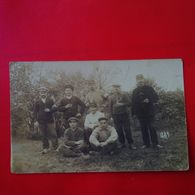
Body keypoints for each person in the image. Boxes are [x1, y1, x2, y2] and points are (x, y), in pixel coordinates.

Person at [131, 74, 163, 149]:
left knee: (152, 128)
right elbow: (133, 103)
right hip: (140, 113)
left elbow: (156, 97)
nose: (140, 81)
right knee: (143, 128)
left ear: (143, 80)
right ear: (136, 81)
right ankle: (146, 144)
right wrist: (133, 113)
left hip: (149, 112)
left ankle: (155, 143)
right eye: (138, 80)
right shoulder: (135, 91)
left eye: (141, 79)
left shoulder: (150, 88)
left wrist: (149, 100)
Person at [109, 84, 136, 149]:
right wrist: (111, 116)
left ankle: (131, 143)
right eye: (114, 88)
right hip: (116, 115)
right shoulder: (111, 96)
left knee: (127, 129)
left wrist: (122, 104)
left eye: (117, 88)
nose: (116, 89)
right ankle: (122, 143)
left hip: (124, 114)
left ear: (120, 88)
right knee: (119, 130)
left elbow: (130, 103)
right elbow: (110, 107)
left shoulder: (124, 94)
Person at [33, 86, 58, 154]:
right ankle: (45, 148)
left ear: (46, 93)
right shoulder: (37, 102)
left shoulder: (51, 100)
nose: (43, 93)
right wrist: (35, 121)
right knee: (43, 135)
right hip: (41, 121)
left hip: (50, 120)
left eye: (44, 92)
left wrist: (50, 110)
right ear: (39, 93)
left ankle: (55, 147)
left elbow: (55, 108)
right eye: (41, 92)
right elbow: (35, 112)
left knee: (53, 134)